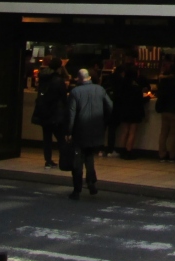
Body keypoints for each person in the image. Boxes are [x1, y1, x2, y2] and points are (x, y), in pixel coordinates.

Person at [66, 68, 112, 200]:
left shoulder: (75, 92)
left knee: (77, 160)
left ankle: (77, 189)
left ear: (79, 79)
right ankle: (91, 183)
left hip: (80, 131)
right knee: (90, 157)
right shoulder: (100, 89)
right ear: (89, 77)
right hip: (96, 130)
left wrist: (69, 131)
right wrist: (103, 122)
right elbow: (110, 106)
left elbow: (71, 113)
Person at [32, 59, 69, 168]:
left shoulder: (43, 78)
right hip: (55, 112)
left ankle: (48, 160)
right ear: (58, 67)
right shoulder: (58, 80)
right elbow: (63, 97)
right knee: (61, 138)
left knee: (47, 138)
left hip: (44, 112)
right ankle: (64, 160)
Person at [115, 67, 148, 158]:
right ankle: (128, 151)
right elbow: (140, 99)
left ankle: (121, 151)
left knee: (124, 131)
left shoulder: (122, 84)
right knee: (132, 131)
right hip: (134, 110)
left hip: (124, 110)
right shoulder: (135, 86)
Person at [155, 64, 175, 162]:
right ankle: (172, 156)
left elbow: (159, 93)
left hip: (164, 110)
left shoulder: (163, 81)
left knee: (163, 133)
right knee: (173, 134)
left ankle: (162, 155)